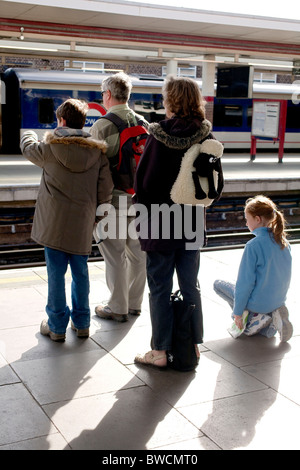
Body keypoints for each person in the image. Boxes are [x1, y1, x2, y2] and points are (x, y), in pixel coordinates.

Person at [133, 75, 224, 368]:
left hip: (160, 223)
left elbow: (143, 184)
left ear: (171, 100)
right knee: (190, 284)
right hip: (191, 222)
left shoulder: (158, 136)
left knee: (159, 287)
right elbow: (214, 186)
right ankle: (193, 344)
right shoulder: (207, 136)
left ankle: (160, 351)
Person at [21, 98, 113, 341]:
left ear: (61, 120)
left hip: (54, 222)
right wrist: (98, 215)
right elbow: (105, 190)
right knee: (81, 272)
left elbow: (27, 148)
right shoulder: (97, 152)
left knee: (55, 274)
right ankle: (82, 323)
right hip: (83, 221)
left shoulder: (49, 148)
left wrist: (29, 133)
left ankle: (57, 326)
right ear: (83, 122)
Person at [90, 72, 148, 323]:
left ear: (109, 95)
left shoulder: (102, 126)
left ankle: (117, 307)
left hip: (112, 202)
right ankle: (134, 303)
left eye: (103, 93)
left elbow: (92, 168)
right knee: (138, 255)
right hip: (139, 201)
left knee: (115, 255)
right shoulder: (143, 123)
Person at [214, 195, 293, 342]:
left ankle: (252, 320)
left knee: (218, 284)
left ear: (257, 219)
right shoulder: (284, 242)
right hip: (278, 300)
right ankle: (269, 323)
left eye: (247, 218)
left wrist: (237, 314)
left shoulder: (253, 245)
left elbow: (245, 283)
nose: (246, 222)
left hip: (258, 303)